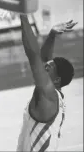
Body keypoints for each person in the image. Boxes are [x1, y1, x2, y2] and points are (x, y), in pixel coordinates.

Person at [17, 15, 77, 151]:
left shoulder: (48, 94)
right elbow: (43, 59)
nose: (44, 67)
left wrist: (23, 15)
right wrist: (52, 35)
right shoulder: (53, 93)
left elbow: (34, 56)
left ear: (56, 80)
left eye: (49, 68)